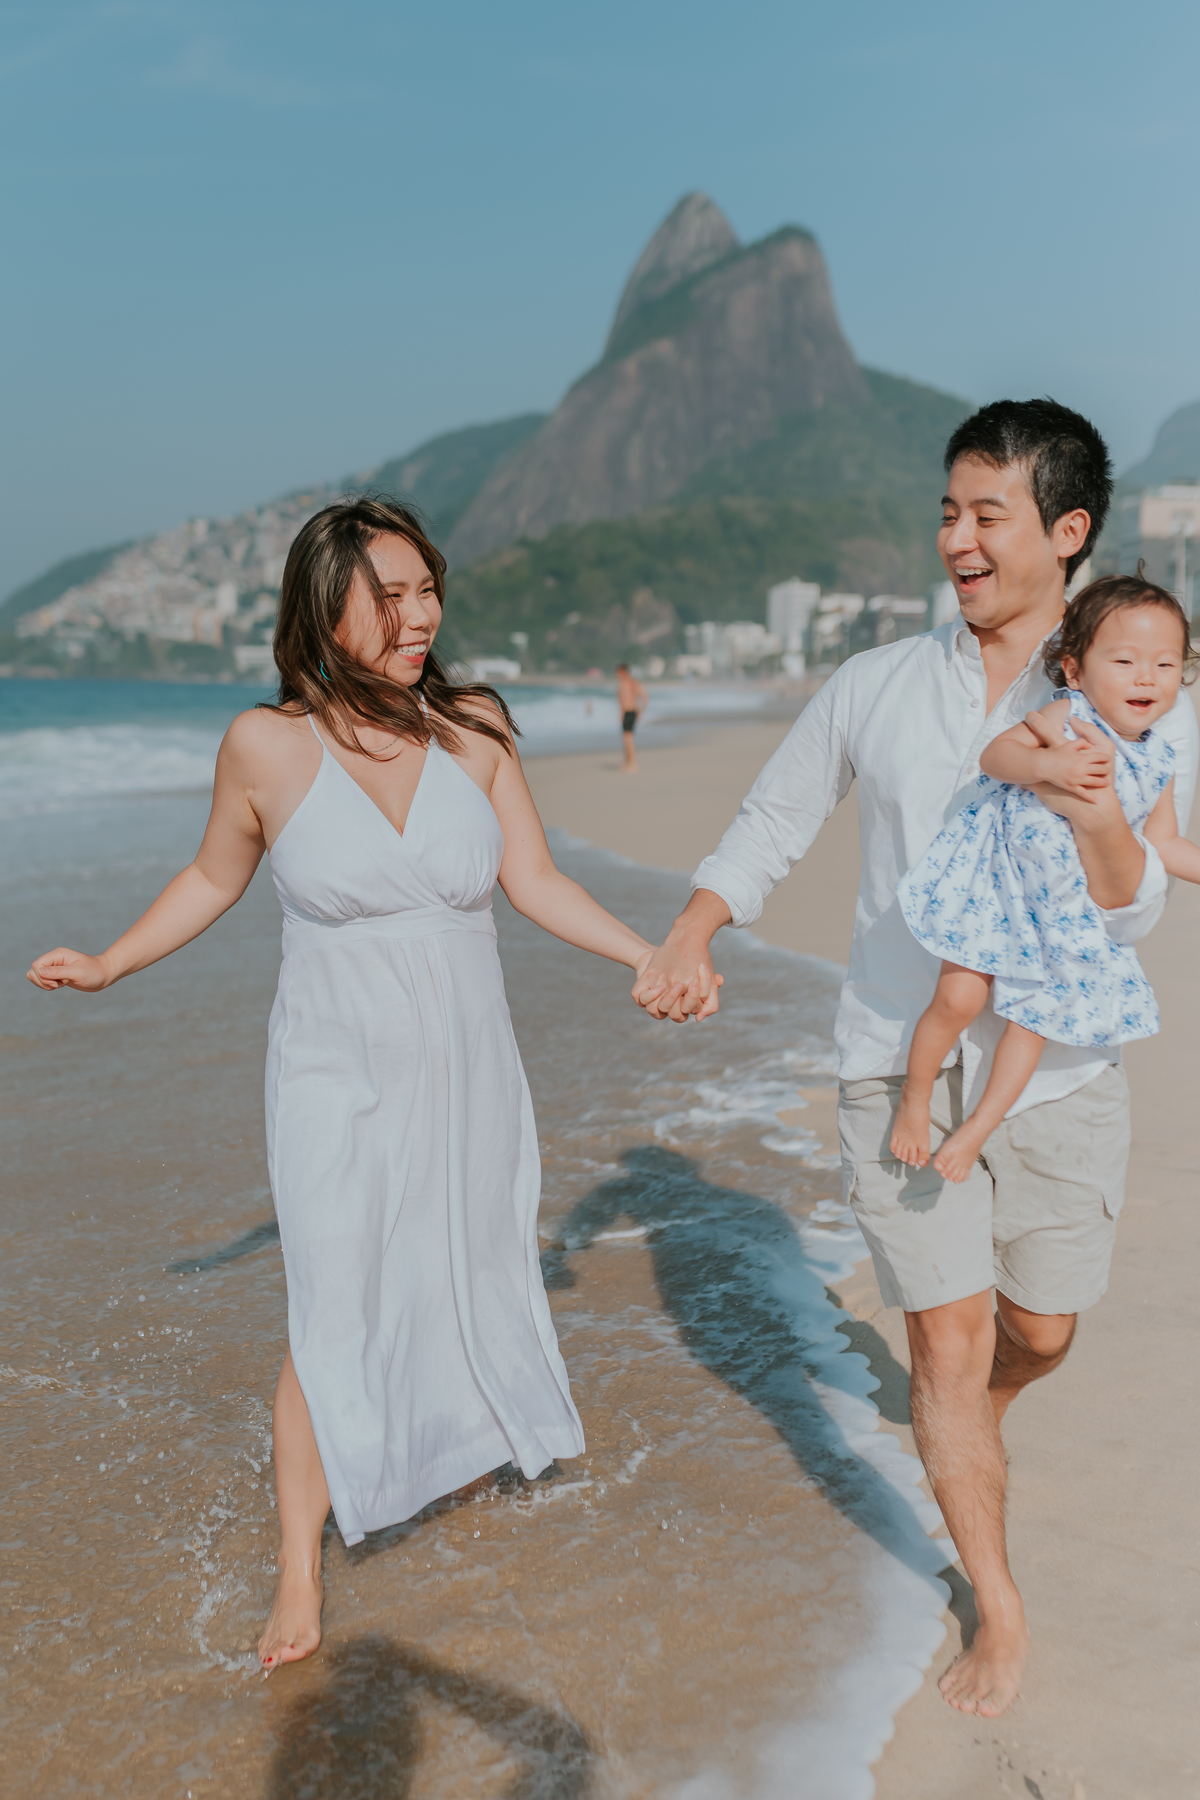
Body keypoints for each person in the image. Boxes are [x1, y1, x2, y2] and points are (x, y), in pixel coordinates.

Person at [631, 399, 1198, 1718]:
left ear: (1068, 530)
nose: (957, 539)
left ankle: (980, 1413)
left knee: (1039, 1332)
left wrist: (1093, 812)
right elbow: (774, 817)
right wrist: (695, 928)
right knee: (943, 1346)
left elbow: (1133, 912)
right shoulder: (875, 684)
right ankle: (996, 1602)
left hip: (1058, 1072)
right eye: (947, 512)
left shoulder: (1135, 687)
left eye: (987, 514)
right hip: (900, 1058)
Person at [26, 498, 659, 1673]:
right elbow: (211, 877)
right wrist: (112, 961)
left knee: (462, 1266)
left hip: (467, 1070)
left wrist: (647, 955)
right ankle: (299, 1568)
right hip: (332, 1068)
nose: (421, 617)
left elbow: (534, 880)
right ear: (325, 610)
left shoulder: (475, 731)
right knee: (332, 1301)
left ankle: (453, 1463)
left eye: (429, 592)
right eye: (391, 597)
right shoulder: (266, 747)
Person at [891, 575, 1200, 1184]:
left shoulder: (1159, 758)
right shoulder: (1068, 716)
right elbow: (996, 758)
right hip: (997, 887)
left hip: (1060, 910)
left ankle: (977, 1128)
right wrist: (1046, 762)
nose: (1146, 677)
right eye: (1125, 662)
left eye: (1165, 664)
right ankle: (915, 1097)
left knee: (1035, 1024)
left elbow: (1164, 844)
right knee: (959, 999)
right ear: (1076, 671)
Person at [616, 662, 647, 772]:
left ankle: (633, 763)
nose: (617, 674)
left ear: (623, 672)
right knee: (625, 739)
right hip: (625, 713)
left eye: (618, 672)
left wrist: (641, 711)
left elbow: (644, 696)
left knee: (628, 739)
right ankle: (627, 762)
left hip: (631, 711)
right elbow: (622, 700)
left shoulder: (632, 682)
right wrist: (621, 713)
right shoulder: (622, 683)